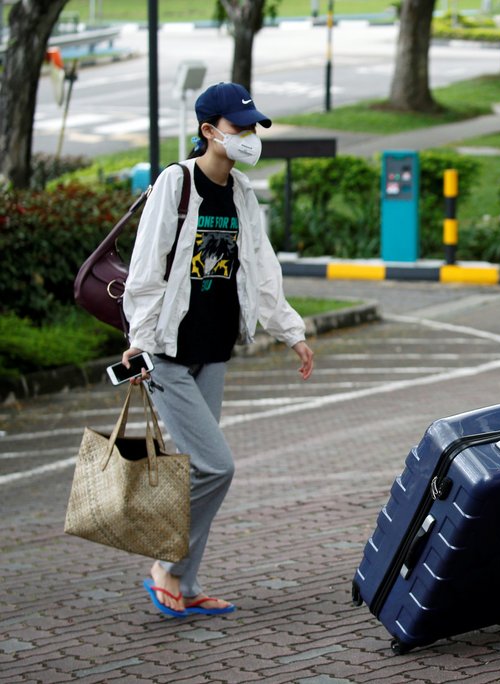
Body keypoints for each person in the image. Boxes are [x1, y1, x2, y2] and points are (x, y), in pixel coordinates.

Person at [121, 82, 315, 618]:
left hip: (214, 348)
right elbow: (145, 267)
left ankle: (184, 586)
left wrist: (290, 331)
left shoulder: (243, 192)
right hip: (167, 352)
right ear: (209, 131)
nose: (249, 136)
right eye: (238, 127)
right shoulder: (176, 183)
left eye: (252, 127)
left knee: (192, 468)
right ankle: (166, 568)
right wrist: (138, 341)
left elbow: (261, 265)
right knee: (216, 466)